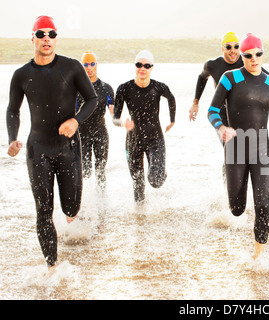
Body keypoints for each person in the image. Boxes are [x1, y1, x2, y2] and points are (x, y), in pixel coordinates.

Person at [6, 16, 97, 269]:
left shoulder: (71, 67)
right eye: (42, 33)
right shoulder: (21, 74)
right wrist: (12, 138)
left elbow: (92, 99)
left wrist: (76, 121)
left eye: (52, 34)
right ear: (33, 38)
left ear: (56, 38)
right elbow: (13, 110)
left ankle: (73, 213)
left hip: (68, 148)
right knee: (43, 211)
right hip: (38, 149)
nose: (47, 38)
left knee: (70, 209)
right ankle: (52, 268)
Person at [207, 33, 269, 259]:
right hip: (236, 148)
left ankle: (258, 257)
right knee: (237, 209)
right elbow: (212, 110)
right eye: (248, 55)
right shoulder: (229, 78)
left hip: (262, 148)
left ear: (262, 53)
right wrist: (221, 128)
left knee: (262, 204)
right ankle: (230, 185)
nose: (254, 59)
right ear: (242, 56)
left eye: (258, 54)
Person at [113, 50, 176, 204]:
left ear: (151, 68)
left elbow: (171, 99)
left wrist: (172, 120)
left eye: (146, 65)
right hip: (133, 141)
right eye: (139, 65)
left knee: (155, 181)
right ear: (134, 66)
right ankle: (140, 223)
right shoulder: (124, 89)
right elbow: (115, 117)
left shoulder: (158, 87)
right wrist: (122, 123)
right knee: (138, 188)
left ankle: (162, 172)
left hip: (155, 139)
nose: (142, 68)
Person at [77, 51, 115, 191]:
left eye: (92, 64)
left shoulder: (106, 88)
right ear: (82, 66)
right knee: (85, 170)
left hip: (100, 132)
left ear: (96, 65)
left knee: (100, 169)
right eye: (86, 64)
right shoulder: (77, 88)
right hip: (82, 133)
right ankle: (83, 202)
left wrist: (114, 113)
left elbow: (114, 112)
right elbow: (71, 113)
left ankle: (101, 201)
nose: (89, 67)